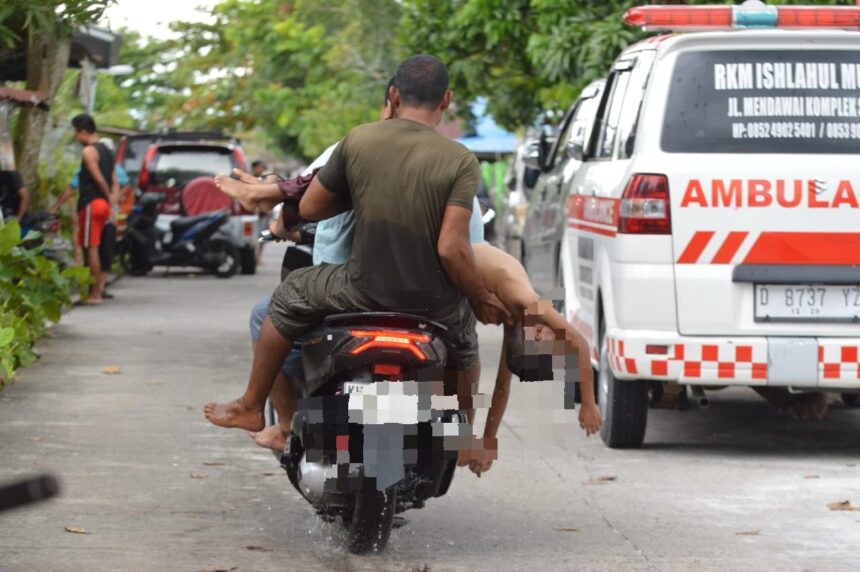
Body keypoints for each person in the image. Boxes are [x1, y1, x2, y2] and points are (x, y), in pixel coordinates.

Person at [204, 55, 509, 434]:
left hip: (361, 291)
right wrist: (480, 297)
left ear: (394, 96)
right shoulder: (460, 160)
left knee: (283, 300)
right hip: (434, 303)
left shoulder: (358, 140)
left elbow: (310, 208)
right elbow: (452, 247)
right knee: (465, 349)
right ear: (446, 100)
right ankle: (461, 436)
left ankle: (252, 407)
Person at [464, 243, 602, 477]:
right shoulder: (528, 301)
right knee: (462, 357)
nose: (560, 337)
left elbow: (502, 387)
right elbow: (579, 342)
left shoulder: (515, 323)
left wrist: (488, 442)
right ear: (537, 333)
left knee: (465, 359)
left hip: (459, 275)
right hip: (452, 261)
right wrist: (589, 403)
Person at [52, 114, 119, 304]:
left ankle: (95, 294)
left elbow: (100, 180)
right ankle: (95, 291)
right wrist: (110, 204)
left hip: (92, 203)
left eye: (76, 133)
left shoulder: (89, 151)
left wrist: (107, 199)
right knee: (94, 247)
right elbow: (115, 182)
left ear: (82, 131)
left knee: (91, 248)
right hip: (102, 205)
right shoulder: (107, 151)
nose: (76, 137)